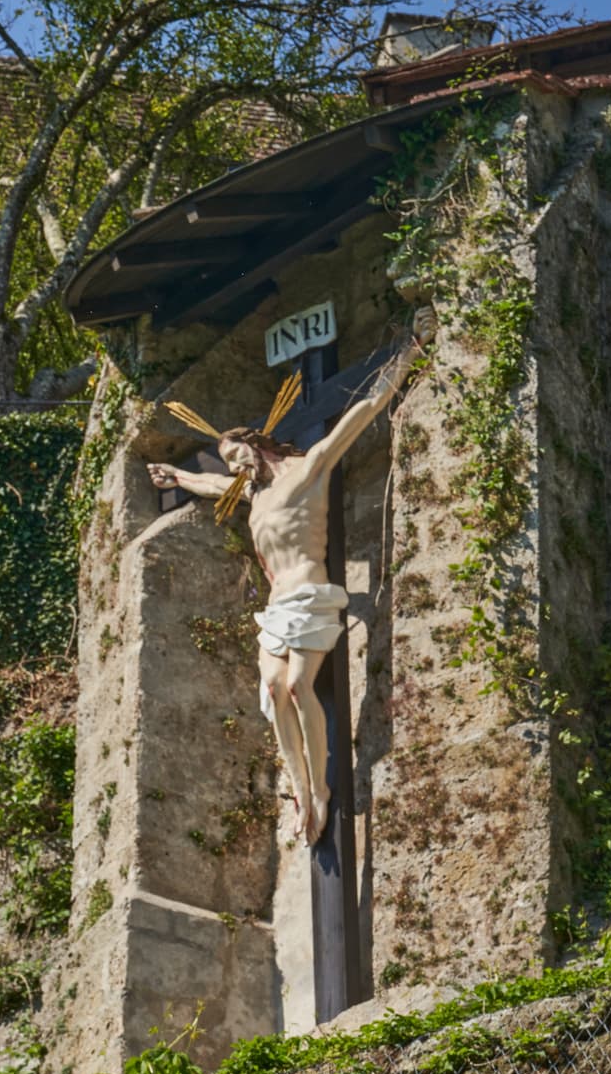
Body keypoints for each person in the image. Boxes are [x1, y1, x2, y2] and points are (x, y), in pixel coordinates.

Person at [147, 308, 436, 845]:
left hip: (309, 593)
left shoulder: (308, 470)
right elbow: (211, 489)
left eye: (237, 458)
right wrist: (181, 475)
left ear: (258, 446)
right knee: (273, 690)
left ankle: (324, 789)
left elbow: (364, 411)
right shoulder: (250, 496)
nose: (235, 470)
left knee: (302, 688)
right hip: (277, 609)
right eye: (229, 464)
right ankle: (302, 789)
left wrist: (410, 352)